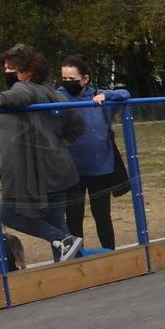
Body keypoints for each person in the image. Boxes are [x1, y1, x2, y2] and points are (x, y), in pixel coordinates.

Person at [0, 44, 84, 262]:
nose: (7, 72)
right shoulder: (55, 94)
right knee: (58, 226)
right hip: (59, 171)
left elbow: (17, 95)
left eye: (11, 68)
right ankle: (69, 265)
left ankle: (64, 243)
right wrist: (57, 142)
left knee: (11, 214)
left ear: (27, 71)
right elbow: (76, 126)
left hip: (38, 173)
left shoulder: (25, 88)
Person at [55, 56, 128, 253]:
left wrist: (107, 97)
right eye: (64, 78)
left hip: (100, 167)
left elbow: (125, 93)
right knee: (73, 217)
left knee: (102, 215)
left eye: (72, 78)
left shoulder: (97, 95)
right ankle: (76, 256)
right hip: (72, 171)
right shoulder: (58, 97)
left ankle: (109, 251)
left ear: (85, 79)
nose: (67, 82)